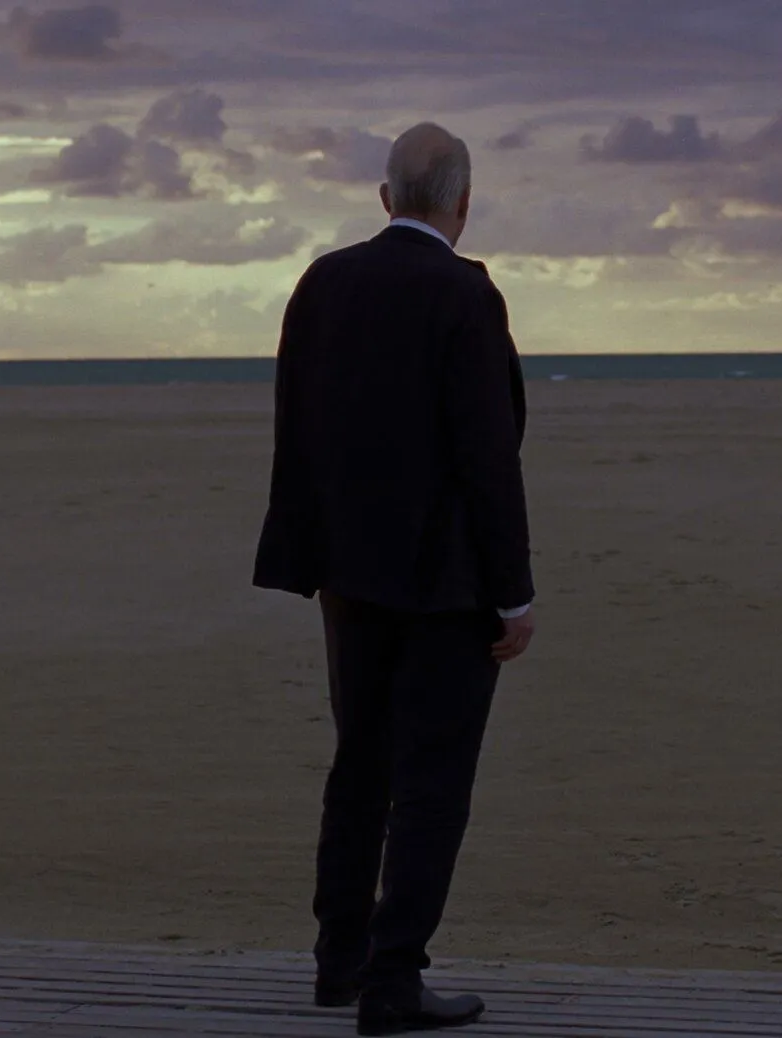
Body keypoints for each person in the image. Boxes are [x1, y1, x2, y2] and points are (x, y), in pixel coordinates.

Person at [252, 121, 535, 1036]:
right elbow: (488, 453)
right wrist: (514, 590)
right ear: (462, 203)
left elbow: (296, 421)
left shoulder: (323, 281)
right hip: (446, 582)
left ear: (385, 199)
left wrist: (305, 548)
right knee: (430, 784)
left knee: (360, 767)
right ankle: (392, 981)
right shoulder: (464, 292)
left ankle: (339, 961)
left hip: (347, 570)